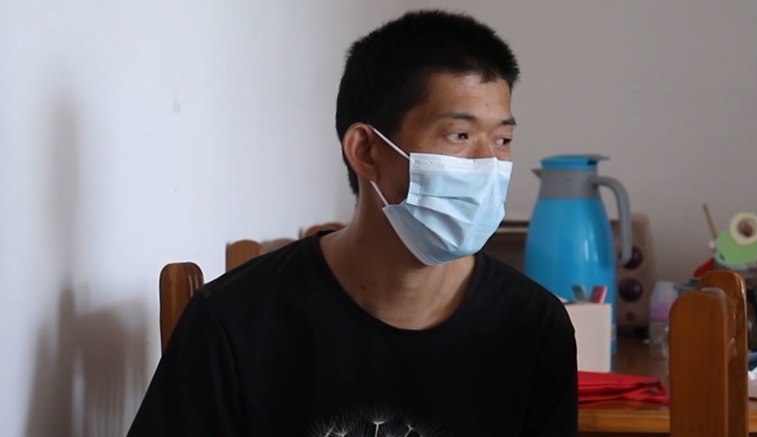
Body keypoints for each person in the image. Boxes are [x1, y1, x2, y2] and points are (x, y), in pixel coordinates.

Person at [127, 9, 577, 437]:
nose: (487, 163)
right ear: (366, 151)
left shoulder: (532, 326)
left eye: (502, 139)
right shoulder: (233, 321)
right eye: (459, 135)